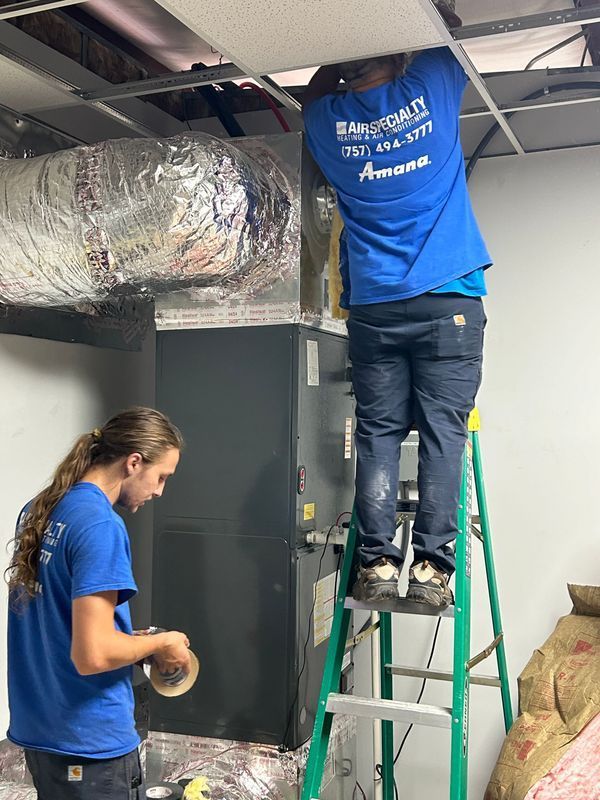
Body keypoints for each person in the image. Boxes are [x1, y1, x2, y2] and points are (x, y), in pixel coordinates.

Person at [303, 4, 490, 607]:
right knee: (442, 434)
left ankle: (378, 565)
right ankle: (433, 571)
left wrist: (341, 59)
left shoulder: (328, 123)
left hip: (376, 311)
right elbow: (446, 26)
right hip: (448, 303)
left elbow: (312, 94)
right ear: (396, 57)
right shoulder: (428, 91)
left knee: (380, 435)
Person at [6, 406, 189, 799]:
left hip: (40, 729)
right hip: (88, 743)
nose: (159, 491)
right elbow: (92, 655)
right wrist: (163, 642)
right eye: (161, 477)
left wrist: (130, 640)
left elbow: (57, 620)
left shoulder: (41, 507)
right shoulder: (101, 526)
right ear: (133, 462)